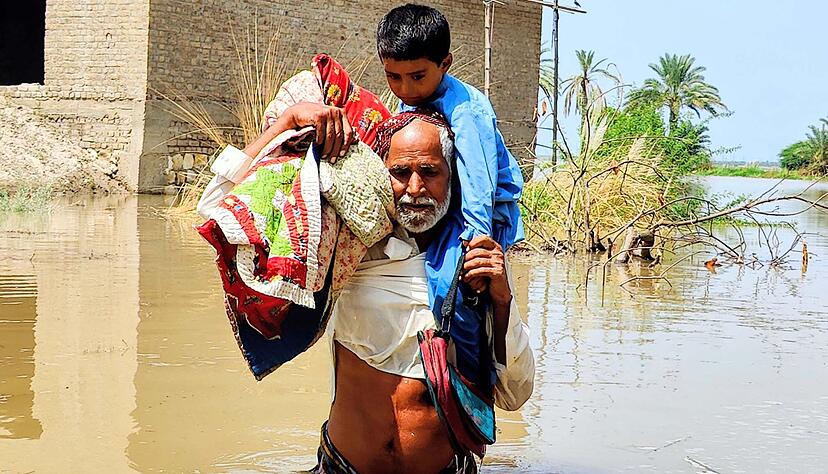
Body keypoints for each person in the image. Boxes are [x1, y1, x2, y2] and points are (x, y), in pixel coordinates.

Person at [318, 110, 533, 473]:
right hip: (342, 466)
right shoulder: (348, 246)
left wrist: (502, 300)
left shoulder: (475, 258)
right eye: (400, 172)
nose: (415, 189)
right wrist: (292, 122)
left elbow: (515, 393)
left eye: (430, 172)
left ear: (453, 178)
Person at [375, 4, 527, 428]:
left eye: (417, 76)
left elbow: (480, 185)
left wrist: (474, 247)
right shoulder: (413, 101)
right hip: (447, 208)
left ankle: (472, 387)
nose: (405, 88)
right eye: (393, 77)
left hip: (479, 216)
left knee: (453, 289)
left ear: (445, 64)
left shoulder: (467, 110)